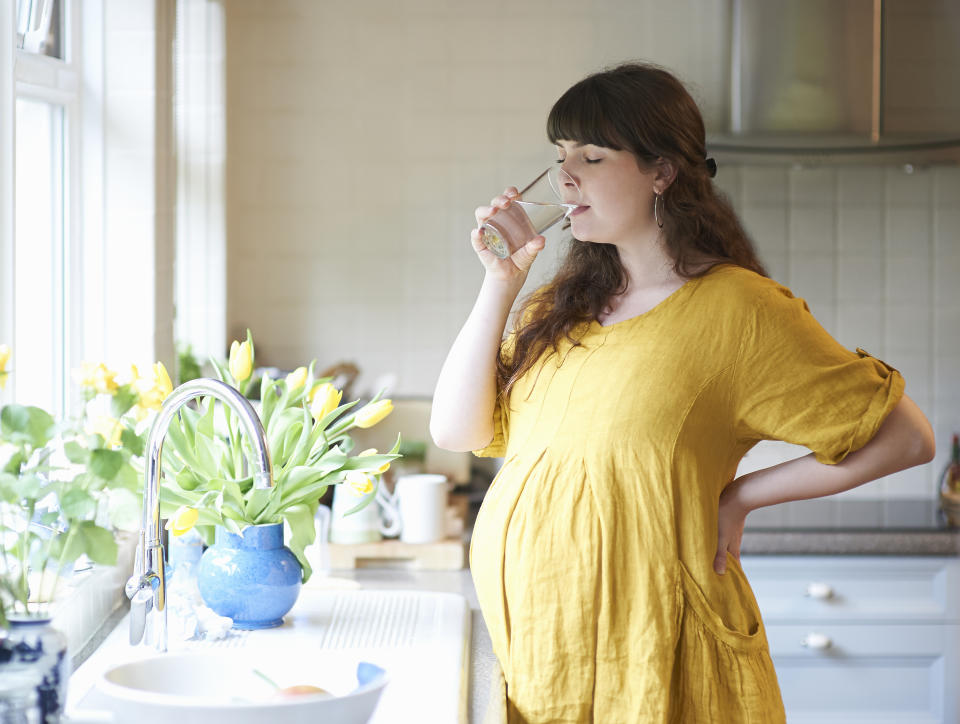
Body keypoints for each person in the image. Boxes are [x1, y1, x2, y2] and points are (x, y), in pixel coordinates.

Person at [429, 62, 935, 723]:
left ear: (661, 172)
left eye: (592, 155)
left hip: (658, 665)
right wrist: (501, 281)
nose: (565, 177)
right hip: (544, 661)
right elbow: (456, 432)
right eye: (560, 156)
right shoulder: (557, 308)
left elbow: (907, 437)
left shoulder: (740, 310)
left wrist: (743, 494)